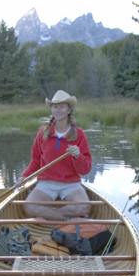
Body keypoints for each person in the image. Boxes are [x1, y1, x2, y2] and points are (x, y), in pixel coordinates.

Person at [15, 90, 92, 221]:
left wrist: (78, 157)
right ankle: (64, 219)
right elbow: (36, 160)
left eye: (62, 106)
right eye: (55, 106)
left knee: (85, 206)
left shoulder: (79, 134)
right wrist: (25, 176)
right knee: (28, 206)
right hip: (46, 182)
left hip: (70, 183)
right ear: (51, 109)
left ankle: (49, 215)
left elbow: (85, 169)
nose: (58, 110)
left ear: (69, 110)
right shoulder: (43, 132)